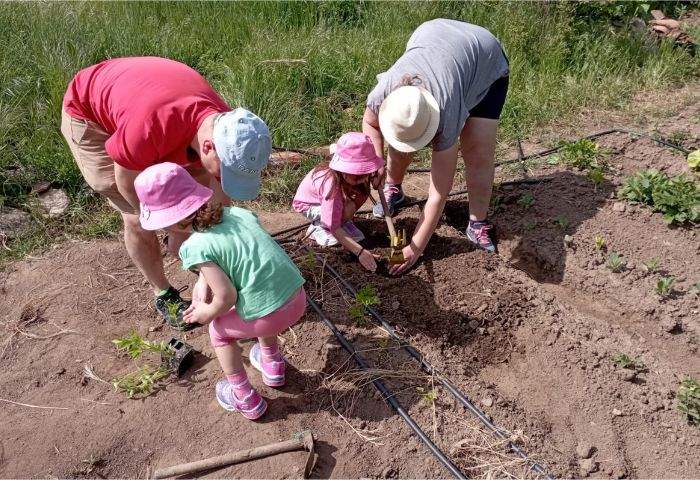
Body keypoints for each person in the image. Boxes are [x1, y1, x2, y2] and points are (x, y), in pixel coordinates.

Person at [60, 56, 272, 329]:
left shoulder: (231, 130)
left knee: (198, 198)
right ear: (207, 148)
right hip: (90, 113)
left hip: (144, 104)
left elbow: (217, 205)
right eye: (227, 171)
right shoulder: (148, 130)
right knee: (139, 219)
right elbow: (128, 184)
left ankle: (201, 261)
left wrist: (206, 272)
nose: (224, 177)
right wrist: (172, 227)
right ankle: (163, 293)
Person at [134, 162, 306, 420]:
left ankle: (244, 397)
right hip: (296, 297)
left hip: (272, 315)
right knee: (254, 298)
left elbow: (226, 297)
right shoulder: (238, 214)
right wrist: (203, 282)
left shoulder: (194, 246)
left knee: (220, 332)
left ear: (173, 220)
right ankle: (272, 364)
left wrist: (206, 313)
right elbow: (233, 258)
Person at [362, 19, 510, 275]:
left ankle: (477, 222)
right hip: (435, 35)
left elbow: (438, 193)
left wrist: (415, 248)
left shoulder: (446, 113)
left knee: (478, 151)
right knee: (402, 139)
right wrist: (376, 165)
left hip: (484, 60)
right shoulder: (384, 93)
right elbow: (370, 123)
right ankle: (393, 188)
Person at [293, 132, 383, 272]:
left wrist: (376, 177)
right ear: (343, 169)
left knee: (362, 192)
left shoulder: (349, 169)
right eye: (357, 175)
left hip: (331, 198)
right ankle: (320, 227)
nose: (362, 178)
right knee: (343, 212)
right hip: (309, 204)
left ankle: (342, 220)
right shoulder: (332, 187)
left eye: (365, 173)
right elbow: (334, 226)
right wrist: (359, 252)